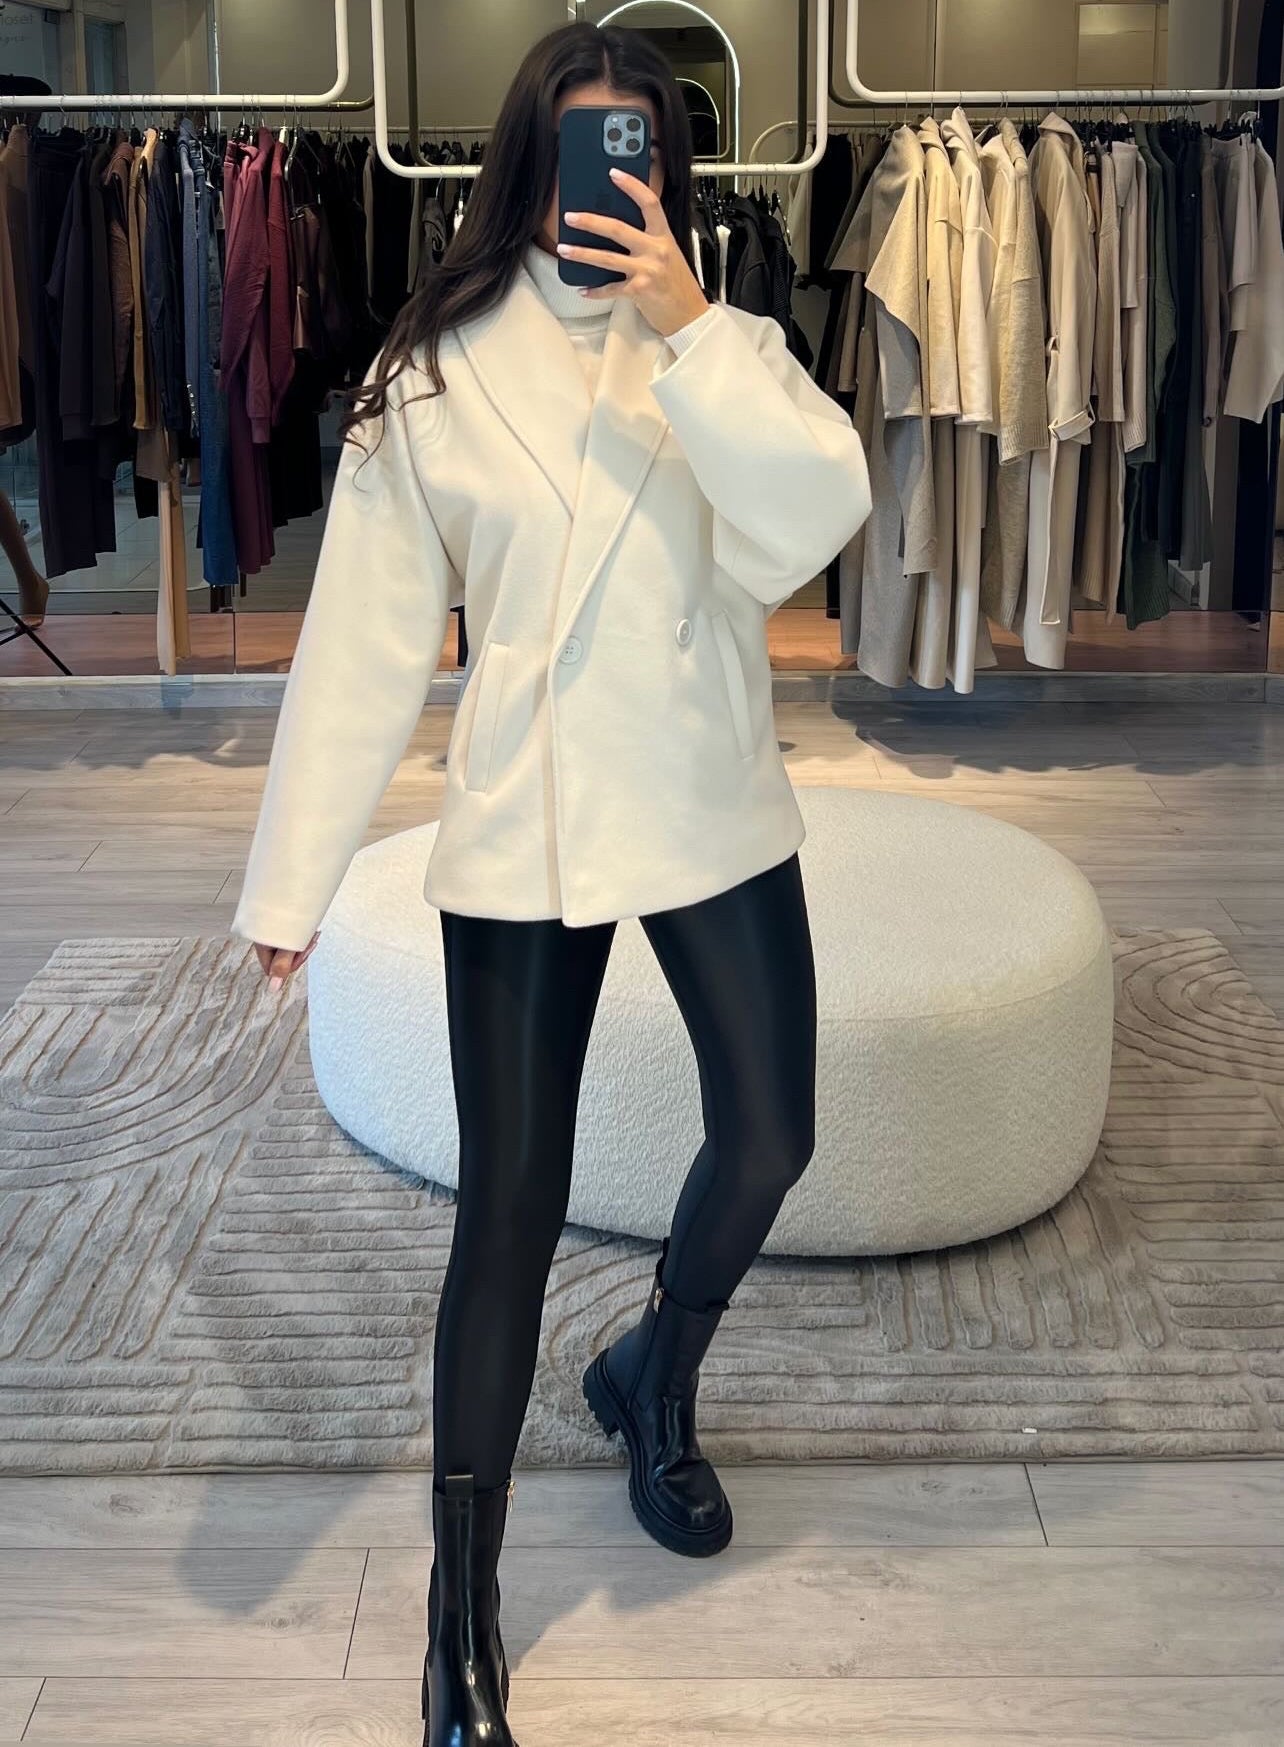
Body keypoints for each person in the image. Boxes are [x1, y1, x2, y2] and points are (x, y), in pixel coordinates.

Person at [230, 21, 870, 1746]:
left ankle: (653, 1370)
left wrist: (691, 324)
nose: (611, 181)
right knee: (506, 1215)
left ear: (670, 172)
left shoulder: (720, 340)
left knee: (774, 1135)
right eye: (586, 147)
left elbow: (812, 518)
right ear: (530, 163)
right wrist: (292, 878)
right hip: (530, 815)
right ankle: (462, 1615)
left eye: (638, 150)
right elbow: (364, 642)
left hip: (706, 786)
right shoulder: (436, 372)